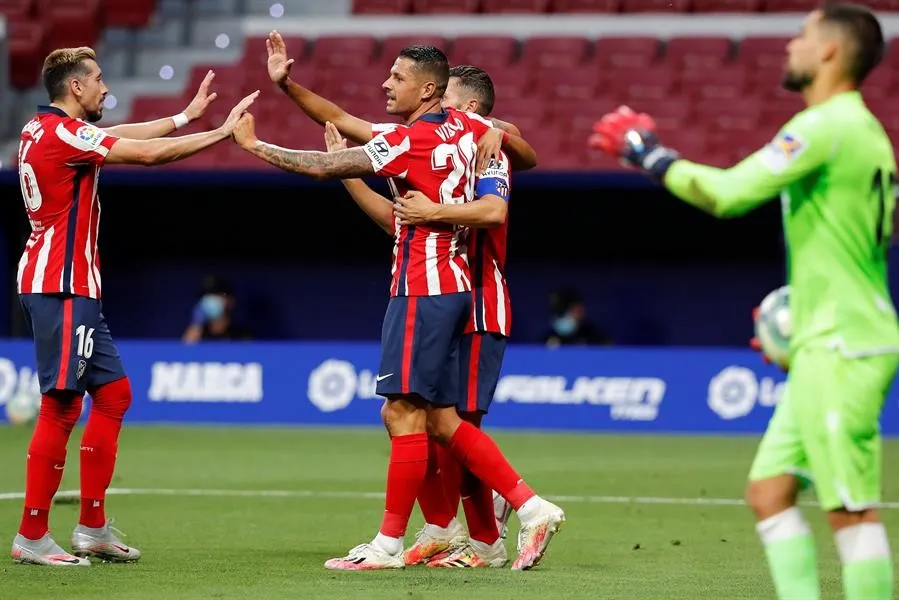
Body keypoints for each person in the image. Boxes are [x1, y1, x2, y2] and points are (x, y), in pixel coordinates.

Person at [590, 4, 898, 599]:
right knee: (770, 491)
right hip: (826, 339)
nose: (790, 45)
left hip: (844, 345)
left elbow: (729, 194)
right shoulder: (864, 132)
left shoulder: (825, 125)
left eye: (803, 36)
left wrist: (648, 153)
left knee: (851, 511)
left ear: (831, 51)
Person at [234, 43, 565, 571]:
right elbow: (355, 141)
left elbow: (496, 202)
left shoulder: (452, 138)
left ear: (447, 98)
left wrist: (254, 146)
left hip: (448, 292)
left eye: (396, 77)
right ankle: (474, 523)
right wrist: (287, 86)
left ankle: (466, 534)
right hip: (452, 286)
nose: (385, 84)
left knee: (423, 415)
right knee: (438, 420)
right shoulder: (459, 137)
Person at [11, 46, 258, 567]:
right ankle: (32, 534)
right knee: (61, 405)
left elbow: (119, 139)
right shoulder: (61, 134)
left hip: (69, 282)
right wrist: (219, 134)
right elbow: (142, 155)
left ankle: (93, 527)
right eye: (98, 79)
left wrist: (184, 117)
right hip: (61, 284)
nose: (105, 88)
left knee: (115, 394)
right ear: (75, 87)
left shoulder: (42, 129)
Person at [322, 65, 514, 569]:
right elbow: (396, 218)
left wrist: (504, 131)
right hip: (447, 294)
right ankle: (449, 529)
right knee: (428, 422)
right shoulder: (441, 149)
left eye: (448, 100)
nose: (441, 112)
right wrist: (346, 172)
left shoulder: (491, 152)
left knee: (452, 427)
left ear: (469, 109)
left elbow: (494, 208)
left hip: (474, 303)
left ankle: (500, 523)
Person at [182, 276, 252, 343]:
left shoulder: (241, 336)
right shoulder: (197, 335)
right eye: (207, 295)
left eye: (216, 295)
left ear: (230, 300)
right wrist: (188, 344)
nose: (210, 300)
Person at [541, 288, 612, 348]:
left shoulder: (594, 336)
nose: (567, 316)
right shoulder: (546, 339)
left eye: (572, 310)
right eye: (562, 313)